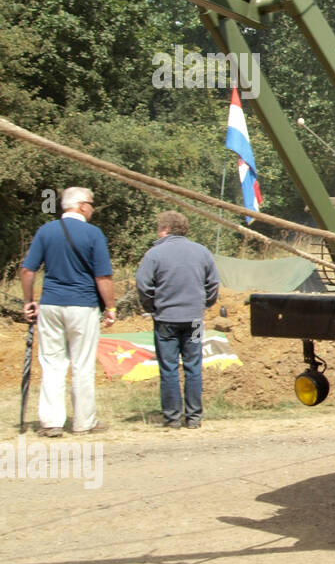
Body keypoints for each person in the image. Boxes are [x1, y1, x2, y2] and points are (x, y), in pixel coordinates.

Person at [20, 187, 116, 438]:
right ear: (82, 205)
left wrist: (29, 301)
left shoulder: (46, 230)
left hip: (51, 303)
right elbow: (103, 276)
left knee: (52, 363)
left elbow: (27, 271)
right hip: (83, 305)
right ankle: (84, 422)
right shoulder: (93, 234)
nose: (93, 209)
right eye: (92, 204)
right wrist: (111, 308)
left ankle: (51, 422)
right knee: (82, 364)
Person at [135, 210, 220, 429]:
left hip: (166, 320)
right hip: (193, 320)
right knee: (193, 366)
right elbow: (213, 284)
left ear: (165, 229)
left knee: (169, 368)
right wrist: (204, 304)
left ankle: (172, 417)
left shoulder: (154, 254)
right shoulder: (202, 252)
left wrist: (152, 306)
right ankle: (194, 417)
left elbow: (143, 285)